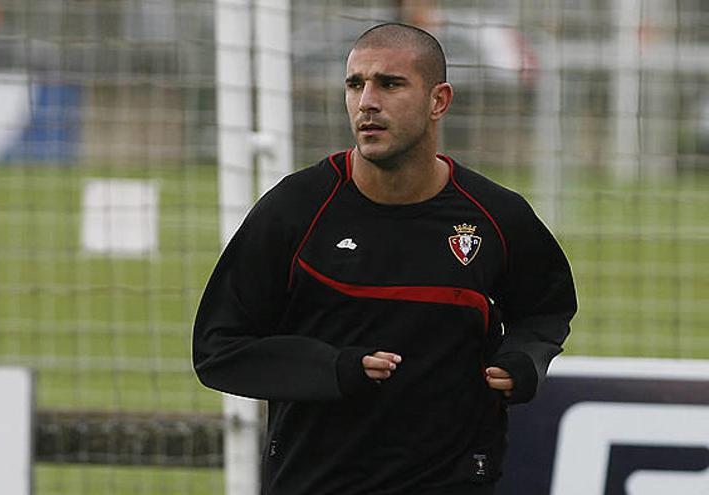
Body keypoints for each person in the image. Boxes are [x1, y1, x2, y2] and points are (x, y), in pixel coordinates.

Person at [192, 23, 576, 495]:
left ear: (438, 101)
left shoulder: (495, 216)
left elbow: (545, 308)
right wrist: (334, 368)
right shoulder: (295, 209)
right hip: (316, 481)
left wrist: (523, 360)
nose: (367, 102)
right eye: (355, 84)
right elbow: (219, 349)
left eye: (390, 84)